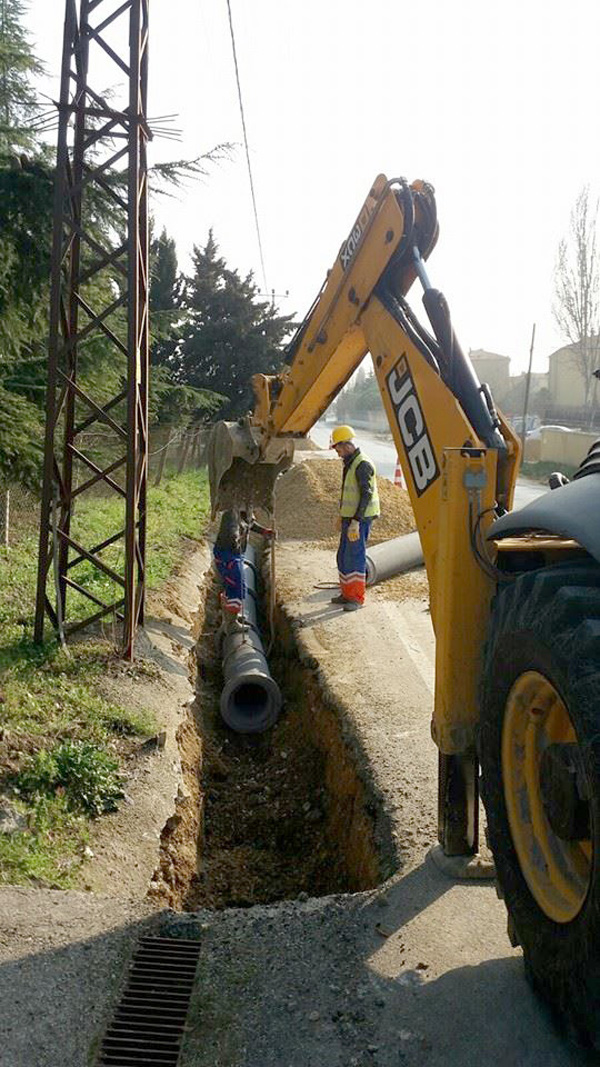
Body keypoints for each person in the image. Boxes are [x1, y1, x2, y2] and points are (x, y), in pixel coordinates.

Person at [329, 424, 380, 611]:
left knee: (355, 557)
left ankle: (357, 598)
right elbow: (350, 494)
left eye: (339, 448)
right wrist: (342, 516)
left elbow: (366, 495)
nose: (338, 453)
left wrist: (356, 522)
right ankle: (347, 594)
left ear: (347, 445)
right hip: (349, 519)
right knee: (343, 556)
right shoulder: (351, 462)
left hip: (361, 520)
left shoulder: (362, 464)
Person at [213, 509, 274, 630]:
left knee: (234, 586)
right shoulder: (231, 514)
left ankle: (231, 617)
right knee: (237, 586)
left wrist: (264, 531)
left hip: (236, 554)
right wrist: (236, 536)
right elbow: (229, 534)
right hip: (228, 555)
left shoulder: (245, 509)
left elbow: (250, 524)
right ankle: (231, 624)